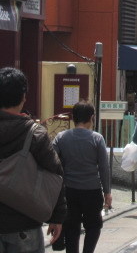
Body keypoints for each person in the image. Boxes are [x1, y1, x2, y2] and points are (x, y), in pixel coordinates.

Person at [0, 67, 66, 252]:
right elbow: (56, 174)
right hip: (25, 222)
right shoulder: (34, 133)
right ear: (23, 98)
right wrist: (57, 216)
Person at [52, 101, 111, 253]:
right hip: (92, 189)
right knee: (93, 226)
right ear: (92, 117)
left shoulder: (61, 137)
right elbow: (104, 167)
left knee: (71, 227)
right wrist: (107, 192)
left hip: (68, 190)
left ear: (73, 118)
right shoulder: (97, 138)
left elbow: (51, 161)